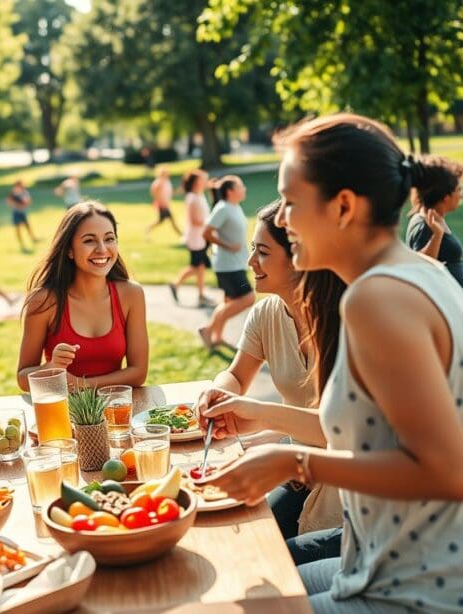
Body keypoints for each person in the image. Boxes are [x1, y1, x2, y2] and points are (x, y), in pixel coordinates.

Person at [198, 114, 463, 611]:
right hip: (371, 561)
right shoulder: (417, 271)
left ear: (342, 206)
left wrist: (292, 460)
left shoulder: (376, 297)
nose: (284, 220)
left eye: (292, 204)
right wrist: (271, 433)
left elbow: (448, 470)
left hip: (418, 587)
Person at [199, 200, 345, 540]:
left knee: (279, 555)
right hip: (298, 472)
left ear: (298, 257)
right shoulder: (266, 314)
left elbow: (341, 430)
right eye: (252, 249)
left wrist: (261, 416)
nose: (250, 262)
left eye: (262, 252)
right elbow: (236, 374)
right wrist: (220, 391)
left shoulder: (344, 319)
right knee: (241, 534)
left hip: (348, 486)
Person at [17, 201, 148, 391]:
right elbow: (23, 378)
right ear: (69, 249)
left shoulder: (131, 294)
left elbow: (138, 372)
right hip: (62, 412)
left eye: (109, 239)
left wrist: (83, 385)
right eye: (89, 240)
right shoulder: (43, 301)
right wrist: (51, 368)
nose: (102, 249)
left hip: (116, 410)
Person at [198, 175, 255, 349]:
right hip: (227, 265)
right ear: (230, 191)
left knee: (229, 302)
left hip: (236, 263)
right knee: (248, 298)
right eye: (241, 186)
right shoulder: (222, 208)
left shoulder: (234, 207)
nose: (244, 189)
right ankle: (208, 329)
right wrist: (227, 245)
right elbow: (206, 233)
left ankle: (216, 337)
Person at [405, 154, 463, 287]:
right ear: (445, 197)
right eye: (458, 190)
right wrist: (437, 235)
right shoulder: (424, 225)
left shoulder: (434, 218)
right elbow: (419, 268)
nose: (461, 195)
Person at [168, 169, 214, 308]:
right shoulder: (192, 198)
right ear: (195, 183)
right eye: (202, 180)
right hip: (195, 239)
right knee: (197, 266)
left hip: (201, 237)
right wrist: (212, 223)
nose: (205, 182)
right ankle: (176, 284)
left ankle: (200, 295)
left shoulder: (199, 195)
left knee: (200, 267)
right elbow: (195, 221)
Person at [145, 167, 181, 237]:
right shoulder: (159, 182)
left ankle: (148, 229)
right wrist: (160, 202)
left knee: (161, 221)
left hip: (165, 204)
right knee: (171, 220)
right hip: (162, 205)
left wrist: (178, 191)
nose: (168, 174)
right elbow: (154, 192)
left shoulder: (166, 182)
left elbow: (169, 192)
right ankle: (182, 235)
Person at [7, 179, 39, 251]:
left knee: (27, 226)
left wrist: (22, 203)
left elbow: (28, 202)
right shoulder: (13, 193)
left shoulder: (24, 192)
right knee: (18, 228)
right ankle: (21, 243)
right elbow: (9, 201)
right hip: (16, 212)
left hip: (23, 212)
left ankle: (33, 238)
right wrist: (16, 203)